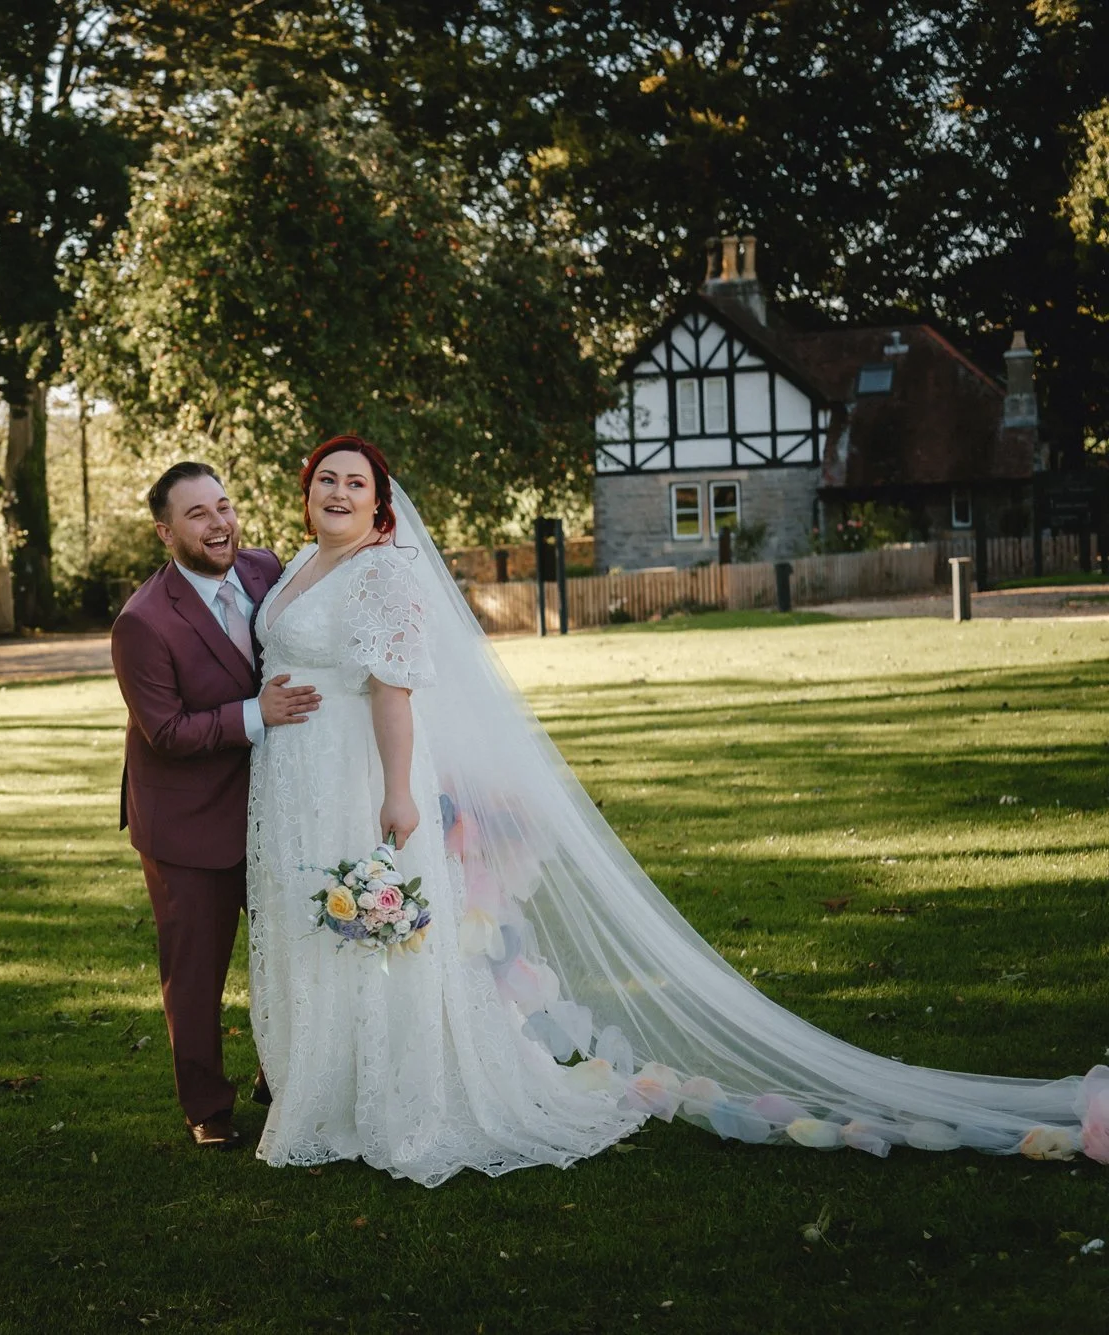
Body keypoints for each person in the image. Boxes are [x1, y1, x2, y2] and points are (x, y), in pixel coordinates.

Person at [245, 434, 1109, 1185]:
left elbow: (394, 691)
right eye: (328, 478)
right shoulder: (297, 567)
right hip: (298, 783)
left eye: (357, 482)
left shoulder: (383, 574)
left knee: (374, 932)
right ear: (306, 489)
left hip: (361, 772)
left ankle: (398, 1101)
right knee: (320, 932)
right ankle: (332, 1092)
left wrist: (399, 792)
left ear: (382, 504)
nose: (340, 492)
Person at [110, 461, 320, 1149]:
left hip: (273, 806)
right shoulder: (141, 623)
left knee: (288, 949)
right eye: (198, 514)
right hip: (186, 820)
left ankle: (280, 1068)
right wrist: (255, 714)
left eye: (224, 505)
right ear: (165, 531)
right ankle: (206, 1105)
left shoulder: (266, 569)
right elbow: (165, 732)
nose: (220, 522)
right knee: (195, 971)